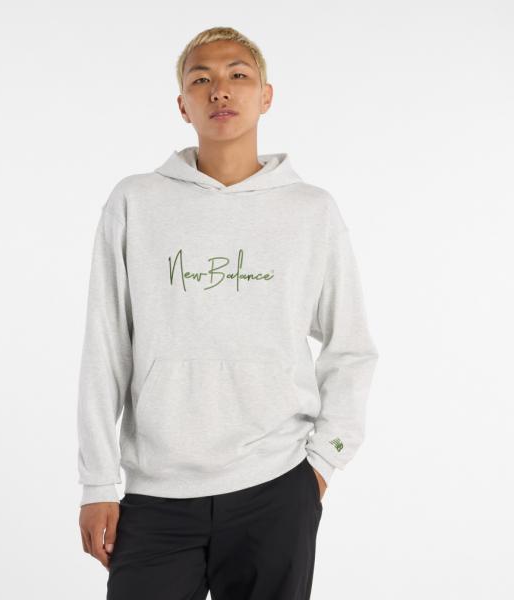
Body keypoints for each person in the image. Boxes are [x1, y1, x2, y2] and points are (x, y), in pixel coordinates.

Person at [77, 26, 379, 600]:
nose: (220, 89)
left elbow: (351, 346)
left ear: (266, 96)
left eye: (238, 75)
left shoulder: (310, 211)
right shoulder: (135, 202)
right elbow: (106, 346)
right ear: (182, 105)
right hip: (156, 494)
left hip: (276, 485)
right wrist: (96, 482)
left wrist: (322, 463)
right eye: (202, 79)